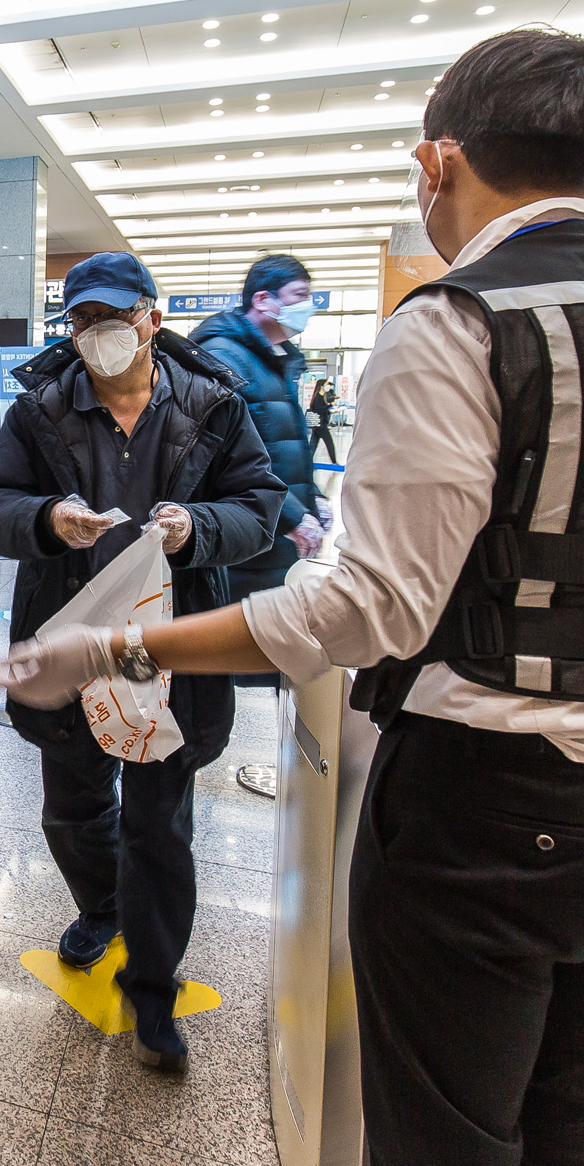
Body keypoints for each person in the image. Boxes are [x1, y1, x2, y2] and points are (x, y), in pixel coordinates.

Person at [0, 28, 584, 1166]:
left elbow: (366, 611)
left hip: (488, 810)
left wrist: (122, 639)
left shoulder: (463, 321)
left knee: (446, 1144)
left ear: (434, 162)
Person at [0, 251, 283, 1071]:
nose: (99, 334)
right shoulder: (39, 410)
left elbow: (259, 507)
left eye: (114, 316)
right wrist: (48, 517)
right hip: (71, 634)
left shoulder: (213, 406)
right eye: (82, 321)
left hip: (161, 644)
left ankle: (152, 984)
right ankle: (103, 905)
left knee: (156, 817)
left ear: (152, 315)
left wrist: (196, 528)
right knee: (71, 809)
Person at [190, 254, 331, 799]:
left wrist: (310, 499)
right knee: (232, 642)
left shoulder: (277, 358)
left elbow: (288, 444)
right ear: (262, 300)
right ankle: (197, 751)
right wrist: (293, 515)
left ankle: (262, 755)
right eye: (296, 295)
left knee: (267, 645)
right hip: (246, 532)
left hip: (276, 528)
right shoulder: (226, 356)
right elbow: (237, 454)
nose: (305, 306)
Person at [306, 380, 337, 465]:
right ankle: (334, 462)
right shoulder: (318, 397)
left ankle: (307, 461)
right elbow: (319, 409)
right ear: (322, 386)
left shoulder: (322, 397)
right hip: (321, 425)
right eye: (327, 384)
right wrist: (330, 405)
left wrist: (330, 411)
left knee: (313, 445)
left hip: (318, 425)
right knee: (329, 443)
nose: (329, 386)